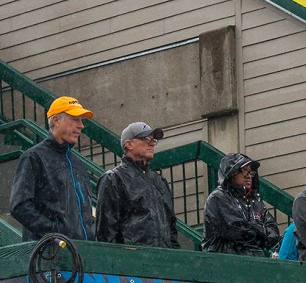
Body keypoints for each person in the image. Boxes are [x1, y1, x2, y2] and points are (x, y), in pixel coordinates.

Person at [10, 96, 96, 242]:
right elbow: (19, 206)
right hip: (49, 257)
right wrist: (56, 232)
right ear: (56, 120)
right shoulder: (33, 157)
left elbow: (87, 213)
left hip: (83, 254)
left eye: (82, 120)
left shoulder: (77, 163)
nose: (81, 126)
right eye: (75, 119)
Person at [95, 122, 179, 248]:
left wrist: (174, 257)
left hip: (164, 261)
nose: (151, 143)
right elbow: (106, 233)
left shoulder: (159, 181)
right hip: (131, 262)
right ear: (128, 144)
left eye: (153, 140)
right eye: (146, 139)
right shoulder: (114, 178)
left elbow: (171, 227)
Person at [202, 153, 278, 255]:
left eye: (250, 172)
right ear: (231, 174)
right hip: (224, 264)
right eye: (244, 171)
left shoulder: (256, 201)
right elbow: (237, 230)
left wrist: (258, 233)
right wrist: (262, 232)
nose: (249, 176)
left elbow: (273, 231)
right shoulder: (217, 198)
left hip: (254, 263)